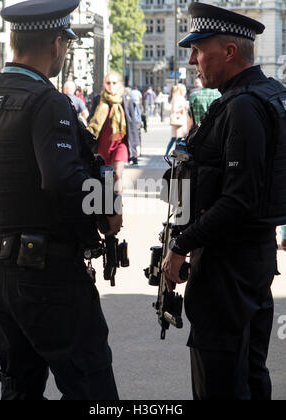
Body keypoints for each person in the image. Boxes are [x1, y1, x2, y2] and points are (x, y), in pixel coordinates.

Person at [0, 0, 122, 400]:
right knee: (91, 386)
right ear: (57, 44)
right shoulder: (47, 101)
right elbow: (65, 179)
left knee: (19, 386)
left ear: (12, 40)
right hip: (47, 273)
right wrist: (105, 213)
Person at [162, 2, 286, 400]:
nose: (194, 60)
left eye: (200, 49)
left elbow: (238, 201)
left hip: (227, 271)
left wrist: (180, 247)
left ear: (229, 52)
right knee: (248, 374)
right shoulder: (258, 97)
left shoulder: (244, 107)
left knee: (222, 381)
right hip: (248, 262)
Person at [88, 72, 140, 194]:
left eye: (114, 83)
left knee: (117, 174)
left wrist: (136, 144)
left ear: (119, 84)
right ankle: (108, 204)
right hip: (102, 145)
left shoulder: (126, 100)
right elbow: (91, 121)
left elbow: (132, 124)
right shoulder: (98, 100)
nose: (111, 85)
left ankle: (117, 204)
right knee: (105, 178)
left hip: (120, 144)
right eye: (108, 83)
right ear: (104, 84)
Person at [165, 84, 188, 156]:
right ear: (181, 90)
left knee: (175, 139)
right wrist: (183, 107)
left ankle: (170, 154)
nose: (185, 91)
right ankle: (172, 154)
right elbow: (174, 109)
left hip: (179, 120)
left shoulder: (178, 97)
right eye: (184, 90)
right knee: (178, 139)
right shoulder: (178, 98)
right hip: (179, 120)